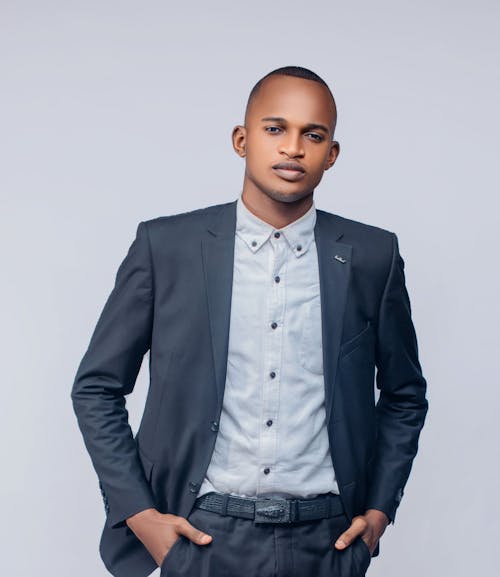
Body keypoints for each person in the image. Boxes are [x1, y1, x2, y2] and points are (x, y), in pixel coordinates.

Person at [71, 65, 428, 577]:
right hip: (203, 534)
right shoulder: (166, 247)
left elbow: (405, 393)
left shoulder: (374, 256)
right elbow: (97, 386)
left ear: (332, 154)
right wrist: (140, 515)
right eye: (275, 128)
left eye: (314, 134)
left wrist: (379, 510)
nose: (293, 148)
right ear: (242, 139)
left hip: (328, 540)